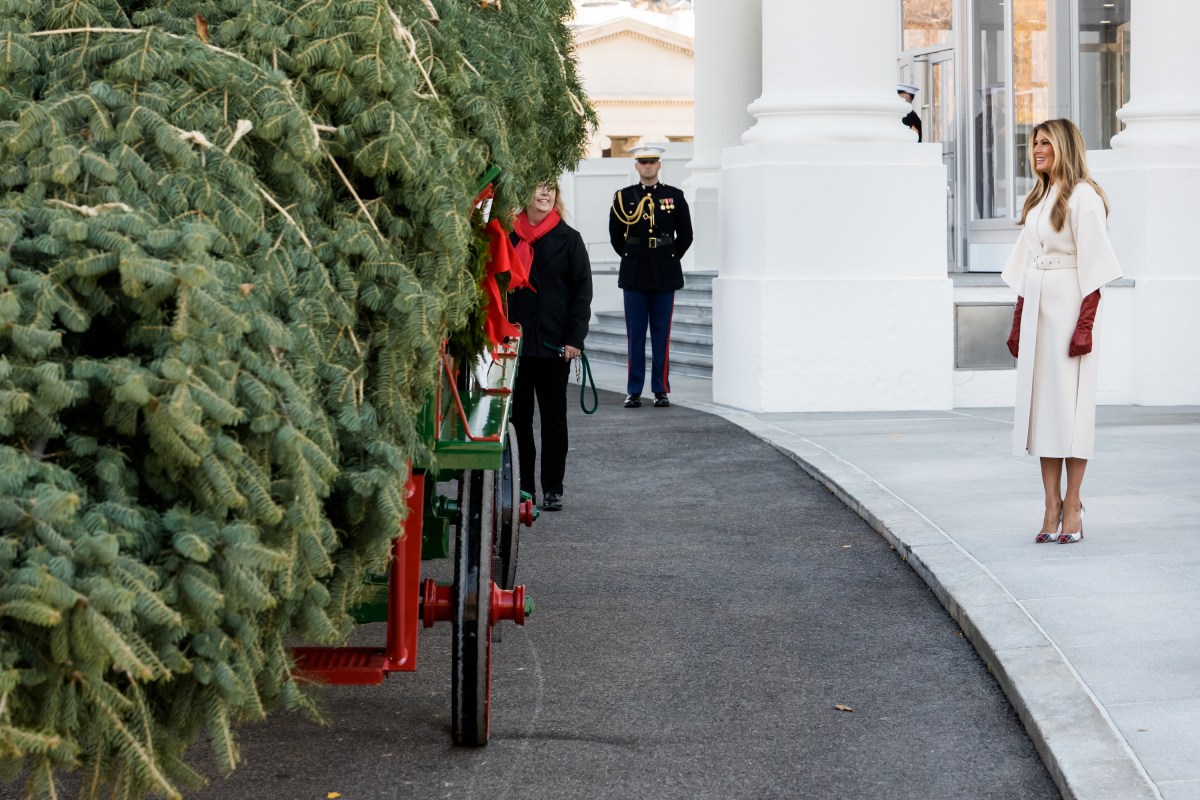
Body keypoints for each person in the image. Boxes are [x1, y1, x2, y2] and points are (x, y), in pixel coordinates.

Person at [1001, 119, 1123, 544]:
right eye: (1034, 143)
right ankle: (1049, 504)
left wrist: (1084, 327)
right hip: (1038, 308)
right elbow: (1024, 266)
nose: (1036, 149)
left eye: (1045, 142)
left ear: (1064, 147)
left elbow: (1096, 270)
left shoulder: (1083, 197)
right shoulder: (1038, 197)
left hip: (1071, 308)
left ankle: (1073, 504)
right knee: (1044, 414)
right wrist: (1019, 321)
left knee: (1071, 412)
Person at [508, 183, 593, 511]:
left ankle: (553, 487)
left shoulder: (569, 239)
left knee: (555, 420)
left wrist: (575, 339)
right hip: (515, 344)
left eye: (550, 189)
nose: (545, 195)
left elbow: (581, 292)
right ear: (526, 194)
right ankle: (522, 487)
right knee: (519, 420)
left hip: (555, 345)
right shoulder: (509, 236)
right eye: (538, 189)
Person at [608, 144, 693, 409]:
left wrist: (669, 257)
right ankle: (634, 390)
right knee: (635, 334)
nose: (647, 166)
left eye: (652, 162)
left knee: (661, 333)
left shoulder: (674, 196)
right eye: (643, 162)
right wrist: (632, 256)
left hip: (665, 273)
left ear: (659, 165)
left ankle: (660, 389)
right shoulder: (624, 197)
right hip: (634, 272)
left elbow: (686, 235)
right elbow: (615, 236)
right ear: (636, 166)